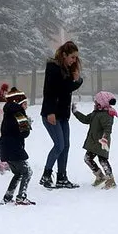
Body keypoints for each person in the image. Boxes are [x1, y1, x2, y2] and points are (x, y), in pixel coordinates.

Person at [39, 41, 84, 189]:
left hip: (63, 114)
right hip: (51, 114)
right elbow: (51, 91)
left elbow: (66, 89)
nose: (74, 60)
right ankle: (46, 175)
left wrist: (77, 80)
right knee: (59, 145)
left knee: (66, 146)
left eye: (76, 58)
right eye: (72, 57)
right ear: (64, 55)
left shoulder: (67, 69)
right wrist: (50, 112)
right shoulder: (53, 68)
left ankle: (62, 177)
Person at [72, 91, 118, 190]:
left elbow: (108, 128)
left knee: (103, 160)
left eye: (96, 102)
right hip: (93, 142)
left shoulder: (107, 114)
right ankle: (100, 176)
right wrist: (76, 112)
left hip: (102, 142)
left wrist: (105, 138)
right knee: (87, 158)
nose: (94, 103)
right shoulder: (96, 113)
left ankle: (111, 180)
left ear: (102, 103)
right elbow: (85, 119)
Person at [0, 87, 35, 205]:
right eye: (25, 103)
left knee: (18, 173)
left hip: (5, 148)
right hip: (14, 148)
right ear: (18, 103)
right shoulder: (19, 114)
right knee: (27, 172)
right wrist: (27, 124)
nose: (26, 106)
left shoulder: (8, 113)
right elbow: (25, 133)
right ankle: (21, 197)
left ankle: (8, 197)